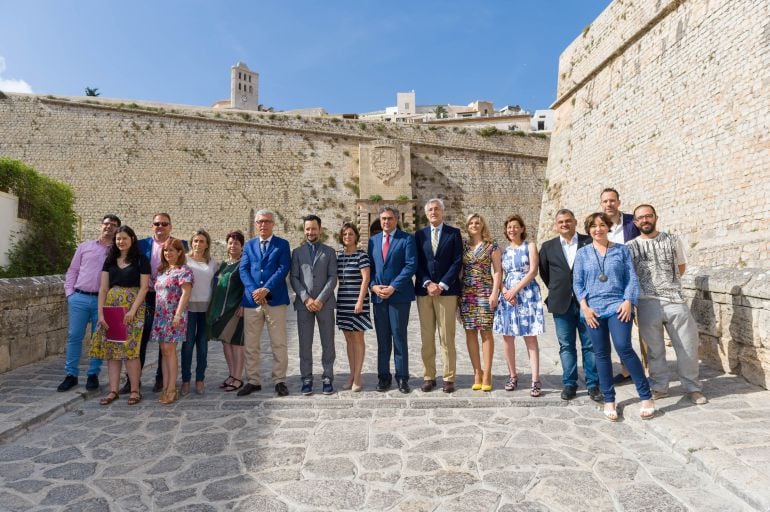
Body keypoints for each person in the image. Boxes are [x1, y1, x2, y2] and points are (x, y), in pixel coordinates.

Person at [573, 212, 654, 421]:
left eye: (601, 225)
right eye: (593, 226)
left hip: (618, 306)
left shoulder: (621, 250)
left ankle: (646, 396)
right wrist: (585, 307)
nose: (597, 229)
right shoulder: (582, 254)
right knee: (601, 354)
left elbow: (631, 278)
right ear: (588, 229)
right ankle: (609, 398)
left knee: (624, 347)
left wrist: (628, 301)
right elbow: (577, 283)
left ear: (608, 227)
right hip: (593, 310)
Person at [626, 204, 707, 404]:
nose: (645, 220)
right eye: (640, 218)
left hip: (675, 301)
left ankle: (693, 387)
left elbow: (681, 266)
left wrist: (667, 286)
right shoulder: (630, 247)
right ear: (636, 222)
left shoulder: (672, 240)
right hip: (646, 303)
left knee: (687, 346)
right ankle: (659, 387)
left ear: (655, 217)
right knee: (654, 350)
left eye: (648, 216)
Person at [539, 209, 602, 402]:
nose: (564, 224)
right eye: (561, 222)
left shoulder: (589, 242)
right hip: (561, 302)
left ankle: (593, 384)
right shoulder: (548, 247)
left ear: (575, 222)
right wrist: (559, 289)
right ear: (556, 225)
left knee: (590, 345)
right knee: (566, 345)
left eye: (568, 221)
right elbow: (545, 273)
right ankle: (569, 384)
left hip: (588, 304)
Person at [124, 213, 188, 394]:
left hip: (169, 300)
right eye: (157, 223)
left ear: (171, 226)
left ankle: (162, 379)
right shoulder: (141, 245)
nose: (160, 227)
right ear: (152, 226)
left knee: (165, 342)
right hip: (145, 296)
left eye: (164, 224)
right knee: (140, 339)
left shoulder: (180, 245)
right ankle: (132, 381)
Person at [88, 226, 150, 406]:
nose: (121, 242)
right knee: (112, 351)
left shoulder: (141, 260)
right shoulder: (110, 260)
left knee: (131, 351)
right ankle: (113, 390)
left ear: (132, 239)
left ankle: (135, 390)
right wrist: (101, 313)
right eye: (118, 239)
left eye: (124, 238)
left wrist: (132, 311)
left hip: (133, 309)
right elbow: (103, 288)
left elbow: (144, 288)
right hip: (112, 308)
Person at [59, 214, 120, 392]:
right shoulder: (84, 247)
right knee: (74, 336)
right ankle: (71, 375)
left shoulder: (117, 251)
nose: (109, 227)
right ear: (101, 226)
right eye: (106, 224)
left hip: (103, 301)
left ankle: (93, 374)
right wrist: (70, 294)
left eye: (113, 225)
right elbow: (72, 270)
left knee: (98, 339)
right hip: (79, 298)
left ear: (117, 229)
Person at [238, 209, 291, 397]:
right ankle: (253, 380)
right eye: (260, 221)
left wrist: (266, 289)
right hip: (252, 302)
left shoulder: (282, 244)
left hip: (275, 300)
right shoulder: (249, 245)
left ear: (273, 224)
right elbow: (243, 269)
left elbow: (283, 268)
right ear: (255, 224)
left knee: (279, 342)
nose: (263, 225)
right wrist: (255, 290)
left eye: (267, 221)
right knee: (251, 343)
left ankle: (279, 380)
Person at [493, 215, 546, 397]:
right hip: (508, 296)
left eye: (515, 227)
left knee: (530, 338)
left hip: (527, 294)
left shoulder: (529, 246)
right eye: (509, 227)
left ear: (522, 228)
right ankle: (513, 375)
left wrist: (515, 290)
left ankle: (535, 379)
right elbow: (498, 273)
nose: (512, 230)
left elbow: (533, 271)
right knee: (507, 338)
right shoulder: (504, 250)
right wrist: (505, 291)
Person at [414, 198, 463, 393]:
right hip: (424, 291)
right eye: (430, 210)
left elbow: (457, 261)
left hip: (447, 292)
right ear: (426, 214)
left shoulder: (454, 234)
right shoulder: (419, 235)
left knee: (446, 336)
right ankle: (428, 376)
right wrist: (427, 282)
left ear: (442, 212)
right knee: (427, 336)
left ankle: (448, 377)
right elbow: (416, 262)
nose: (433, 212)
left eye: (436, 209)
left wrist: (441, 284)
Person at [367, 205, 417, 394]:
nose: (386, 222)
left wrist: (393, 287)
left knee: (399, 337)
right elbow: (369, 267)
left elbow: (410, 265)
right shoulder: (373, 241)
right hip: (379, 297)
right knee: (382, 339)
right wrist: (373, 286)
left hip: (399, 296)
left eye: (389, 218)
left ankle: (402, 378)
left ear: (396, 219)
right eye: (383, 219)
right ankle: (383, 377)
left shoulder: (407, 240)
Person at [290, 215, 338, 396]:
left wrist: (320, 299)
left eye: (314, 228)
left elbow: (333, 277)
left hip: (324, 304)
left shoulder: (329, 252)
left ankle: (327, 377)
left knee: (328, 342)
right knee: (304, 343)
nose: (311, 232)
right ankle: (307, 378)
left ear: (320, 229)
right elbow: (294, 277)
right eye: (307, 229)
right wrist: (306, 299)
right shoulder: (297, 252)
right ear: (304, 230)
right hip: (304, 305)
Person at [600, 187, 643, 384]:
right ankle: (626, 371)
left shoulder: (631, 223)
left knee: (643, 329)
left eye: (612, 200)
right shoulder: (600, 225)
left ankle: (647, 371)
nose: (609, 204)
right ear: (601, 204)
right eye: (605, 201)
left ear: (618, 202)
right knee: (621, 334)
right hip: (613, 287)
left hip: (636, 282)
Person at [149, 238, 193, 405]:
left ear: (180, 252)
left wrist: (178, 315)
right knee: (164, 350)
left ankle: (172, 388)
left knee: (170, 350)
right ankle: (166, 386)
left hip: (174, 315)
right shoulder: (162, 271)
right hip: (160, 315)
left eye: (172, 251)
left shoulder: (184, 271)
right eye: (166, 251)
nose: (168, 254)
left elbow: (185, 294)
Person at [460, 214, 501, 392]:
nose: (474, 225)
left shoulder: (492, 246)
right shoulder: (463, 246)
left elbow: (498, 271)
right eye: (471, 223)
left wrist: (495, 293)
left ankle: (488, 372)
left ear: (482, 225)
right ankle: (477, 371)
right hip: (467, 293)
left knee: (486, 333)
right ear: (467, 226)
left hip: (485, 292)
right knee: (470, 333)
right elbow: (459, 271)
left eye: (477, 223)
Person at [207, 230, 246, 393]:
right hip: (221, 310)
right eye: (230, 243)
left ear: (242, 246)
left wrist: (243, 305)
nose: (233, 246)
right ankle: (231, 374)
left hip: (236, 310)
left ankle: (238, 378)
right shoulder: (223, 264)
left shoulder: (244, 264)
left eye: (236, 243)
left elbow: (248, 285)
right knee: (226, 343)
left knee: (236, 343)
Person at [181, 229, 217, 396]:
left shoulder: (213, 263)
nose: (198, 244)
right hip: (188, 309)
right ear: (191, 242)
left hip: (205, 310)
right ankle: (186, 380)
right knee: (187, 346)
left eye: (202, 241)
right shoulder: (184, 261)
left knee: (202, 346)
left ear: (207, 244)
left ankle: (200, 380)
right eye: (195, 241)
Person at [336, 222, 371, 392]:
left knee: (358, 339)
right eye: (344, 235)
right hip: (343, 301)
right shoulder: (340, 257)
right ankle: (351, 374)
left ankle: (358, 376)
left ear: (356, 236)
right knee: (348, 339)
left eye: (350, 234)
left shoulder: (361, 256)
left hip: (358, 302)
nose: (347, 237)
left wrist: (359, 300)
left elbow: (366, 279)